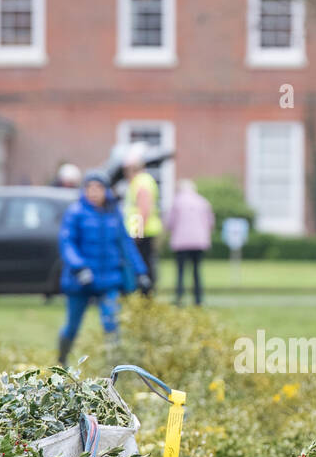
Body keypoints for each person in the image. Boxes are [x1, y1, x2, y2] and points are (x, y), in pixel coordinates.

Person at [56, 170, 151, 366]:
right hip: (80, 281)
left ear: (105, 190)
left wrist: (140, 271)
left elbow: (126, 245)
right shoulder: (75, 212)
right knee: (72, 326)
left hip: (109, 279)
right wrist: (79, 267)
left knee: (112, 324)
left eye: (98, 188)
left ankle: (114, 366)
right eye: (89, 188)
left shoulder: (114, 214)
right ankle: (62, 359)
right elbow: (67, 243)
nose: (93, 192)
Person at [121, 144, 162, 296]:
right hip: (143, 231)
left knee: (143, 267)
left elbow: (143, 209)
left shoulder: (141, 181)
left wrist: (137, 232)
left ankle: (145, 296)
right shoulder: (142, 180)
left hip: (143, 232)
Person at [165, 179, 214, 306]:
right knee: (196, 271)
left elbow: (169, 222)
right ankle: (198, 299)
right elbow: (210, 223)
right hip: (199, 242)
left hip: (181, 242)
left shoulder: (177, 202)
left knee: (181, 271)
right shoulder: (203, 202)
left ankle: (179, 297)